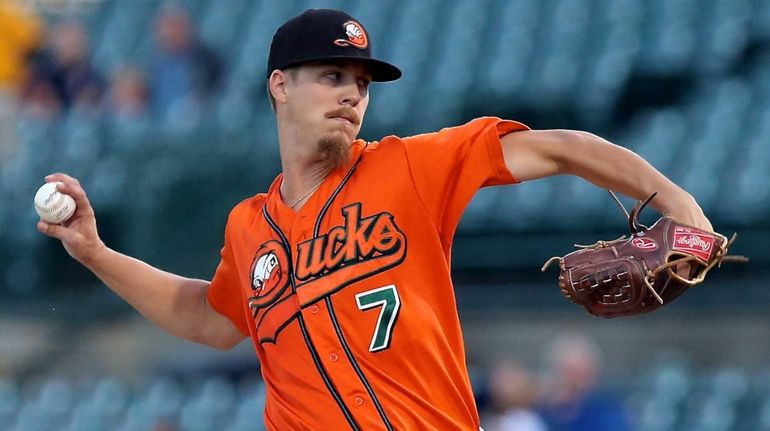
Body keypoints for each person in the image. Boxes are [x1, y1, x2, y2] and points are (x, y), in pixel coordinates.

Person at [37, 8, 712, 430]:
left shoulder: (409, 167)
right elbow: (211, 319)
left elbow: (559, 146)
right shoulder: (249, 227)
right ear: (280, 85)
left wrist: (674, 201)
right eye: (332, 75)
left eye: (360, 82)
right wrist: (96, 251)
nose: (352, 94)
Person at [536, 334, 633, 431]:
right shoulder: (539, 410)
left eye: (582, 373)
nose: (575, 382)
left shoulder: (608, 411)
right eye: (570, 372)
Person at [483, 360, 548, 431]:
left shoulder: (529, 422)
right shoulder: (485, 418)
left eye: (510, 380)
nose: (501, 387)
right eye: (497, 380)